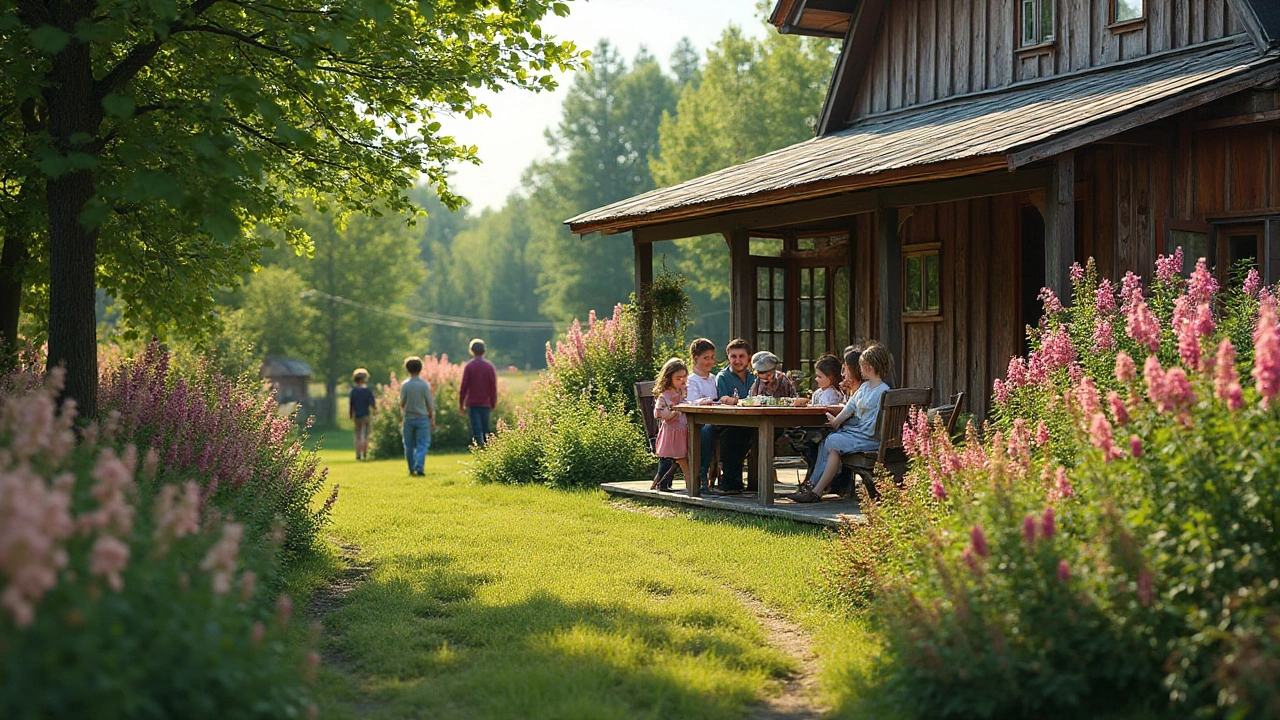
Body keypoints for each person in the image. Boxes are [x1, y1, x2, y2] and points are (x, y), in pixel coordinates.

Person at [787, 344, 893, 503]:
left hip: (869, 439)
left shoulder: (882, 391)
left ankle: (814, 489)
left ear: (869, 367)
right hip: (861, 435)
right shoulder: (866, 387)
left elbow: (867, 422)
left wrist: (837, 422)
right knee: (832, 442)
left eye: (862, 366)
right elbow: (850, 406)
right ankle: (815, 490)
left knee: (832, 440)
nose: (859, 369)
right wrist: (836, 421)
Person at [712, 338, 755, 495]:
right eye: (733, 356)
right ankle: (730, 482)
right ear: (728, 357)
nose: (737, 360)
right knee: (734, 434)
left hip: (754, 421)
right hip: (729, 422)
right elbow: (723, 400)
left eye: (741, 356)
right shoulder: (723, 377)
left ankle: (754, 482)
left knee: (767, 433)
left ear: (749, 357)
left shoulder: (754, 378)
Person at [651, 358, 692, 493]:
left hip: (682, 430)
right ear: (669, 378)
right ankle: (666, 484)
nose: (682, 380)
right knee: (671, 458)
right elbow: (659, 414)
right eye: (678, 378)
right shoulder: (665, 395)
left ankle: (688, 485)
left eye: (684, 377)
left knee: (683, 458)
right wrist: (675, 412)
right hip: (671, 432)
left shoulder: (681, 392)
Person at [686, 338, 719, 491]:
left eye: (712, 357)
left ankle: (731, 478)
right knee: (707, 431)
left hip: (716, 421)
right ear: (695, 358)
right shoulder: (691, 381)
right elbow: (692, 403)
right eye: (706, 358)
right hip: (695, 424)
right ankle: (701, 474)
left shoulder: (714, 379)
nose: (710, 361)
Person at [399, 356, 436, 477]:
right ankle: (419, 466)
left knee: (408, 445)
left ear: (407, 369)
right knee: (422, 444)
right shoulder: (425, 385)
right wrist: (432, 417)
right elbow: (429, 403)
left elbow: (402, 403)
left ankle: (411, 469)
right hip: (422, 418)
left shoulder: (405, 385)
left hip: (409, 418)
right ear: (420, 369)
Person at [459, 338, 498, 448]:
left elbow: (464, 387)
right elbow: (493, 387)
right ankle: (487, 449)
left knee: (476, 429)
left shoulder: (469, 366)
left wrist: (461, 404)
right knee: (485, 428)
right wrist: (493, 402)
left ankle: (479, 449)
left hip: (472, 403)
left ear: (471, 351)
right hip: (485, 403)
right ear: (484, 351)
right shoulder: (489, 367)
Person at [349, 368, 376, 461]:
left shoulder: (354, 391)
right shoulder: (368, 391)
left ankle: (357, 455)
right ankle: (365, 453)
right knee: (366, 435)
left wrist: (351, 414)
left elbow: (351, 404)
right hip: (366, 415)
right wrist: (375, 411)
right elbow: (372, 403)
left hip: (357, 416)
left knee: (357, 435)